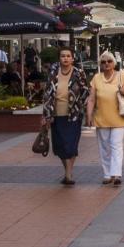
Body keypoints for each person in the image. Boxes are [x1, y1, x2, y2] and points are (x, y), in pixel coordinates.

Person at [42, 47, 89, 186]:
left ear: (72, 58)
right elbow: (47, 94)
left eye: (68, 56)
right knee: (60, 146)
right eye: (63, 56)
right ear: (59, 58)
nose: (66, 58)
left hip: (73, 114)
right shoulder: (53, 73)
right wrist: (46, 114)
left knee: (71, 145)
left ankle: (68, 174)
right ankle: (68, 171)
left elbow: (85, 91)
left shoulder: (78, 73)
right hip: (56, 115)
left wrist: (85, 108)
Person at [86, 52, 124, 186]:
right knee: (104, 147)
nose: (106, 64)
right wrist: (89, 115)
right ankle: (107, 174)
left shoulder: (122, 76)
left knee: (116, 145)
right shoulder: (96, 78)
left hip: (119, 117)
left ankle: (117, 174)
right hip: (102, 117)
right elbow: (91, 99)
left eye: (109, 61)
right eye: (103, 62)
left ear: (114, 63)